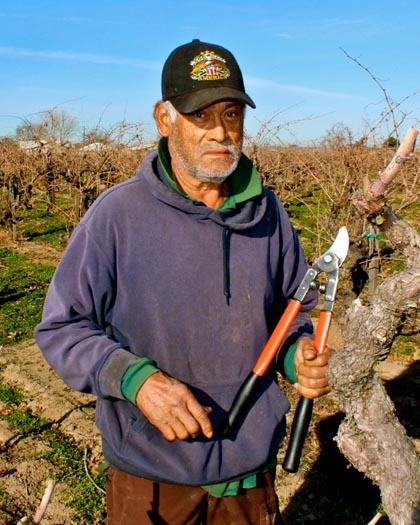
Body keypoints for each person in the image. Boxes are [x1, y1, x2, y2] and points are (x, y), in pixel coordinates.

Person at [35, 39, 333, 525]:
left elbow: (293, 311)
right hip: (152, 484)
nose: (220, 131)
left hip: (248, 482)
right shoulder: (117, 216)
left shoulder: (270, 215)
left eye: (232, 114)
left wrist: (298, 356)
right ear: (163, 118)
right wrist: (136, 381)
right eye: (200, 115)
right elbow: (62, 328)